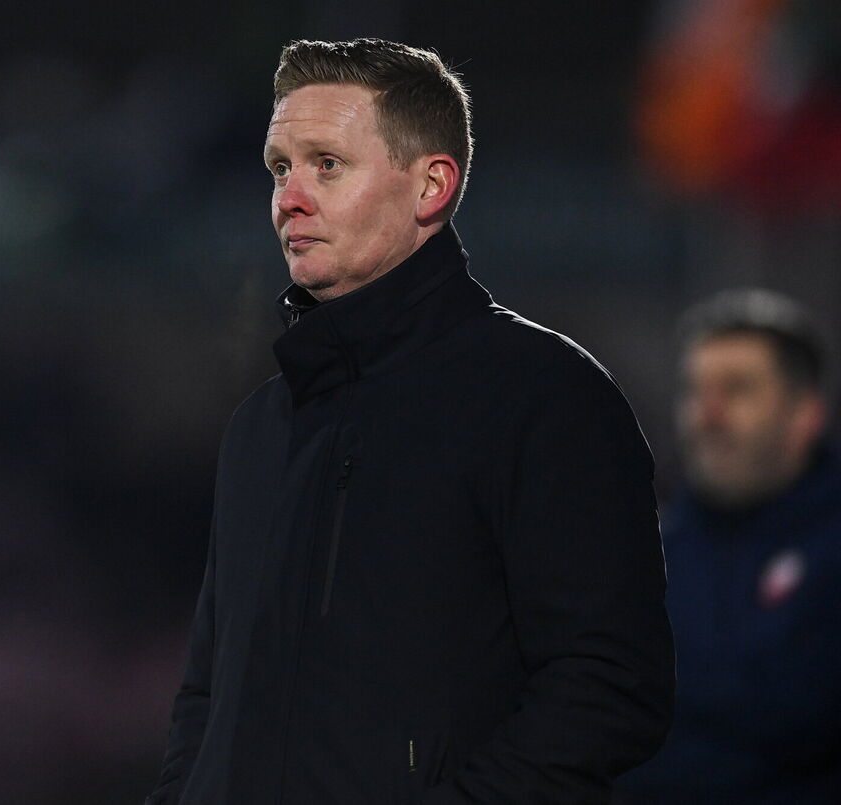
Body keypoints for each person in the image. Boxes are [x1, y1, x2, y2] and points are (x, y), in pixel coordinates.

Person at [146, 38, 675, 804]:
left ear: (431, 185)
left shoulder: (545, 395)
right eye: (280, 167)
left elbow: (611, 688)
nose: (290, 196)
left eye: (327, 164)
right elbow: (205, 701)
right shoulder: (260, 426)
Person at [616, 289, 841, 803]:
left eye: (737, 390)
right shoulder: (652, 550)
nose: (708, 415)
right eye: (696, 391)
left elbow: (797, 718)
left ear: (804, 415)